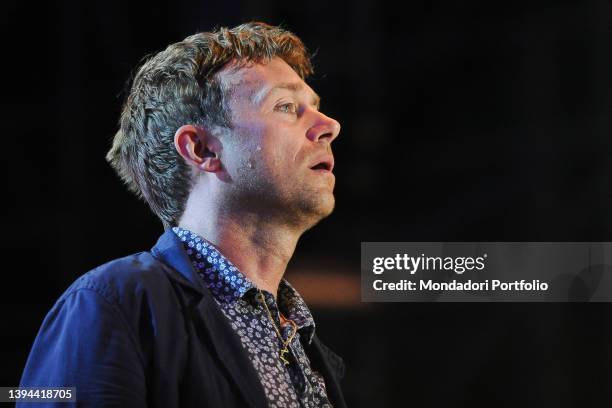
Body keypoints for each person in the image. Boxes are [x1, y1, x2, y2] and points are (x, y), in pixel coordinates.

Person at [18, 22, 346, 407]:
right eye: (286, 107)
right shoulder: (109, 305)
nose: (330, 126)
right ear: (201, 149)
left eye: (317, 108)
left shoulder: (307, 346)